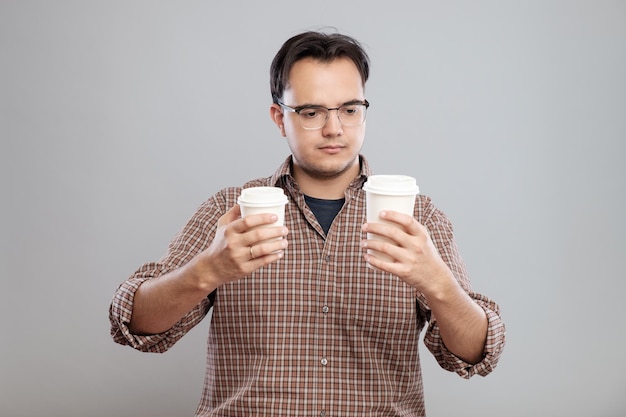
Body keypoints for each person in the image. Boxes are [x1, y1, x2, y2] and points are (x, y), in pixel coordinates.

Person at [109, 30, 505, 416]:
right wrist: (206, 270)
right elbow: (134, 324)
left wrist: (437, 284)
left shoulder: (420, 218)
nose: (334, 128)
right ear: (279, 118)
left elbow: (475, 355)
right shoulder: (229, 211)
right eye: (311, 112)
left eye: (350, 110)